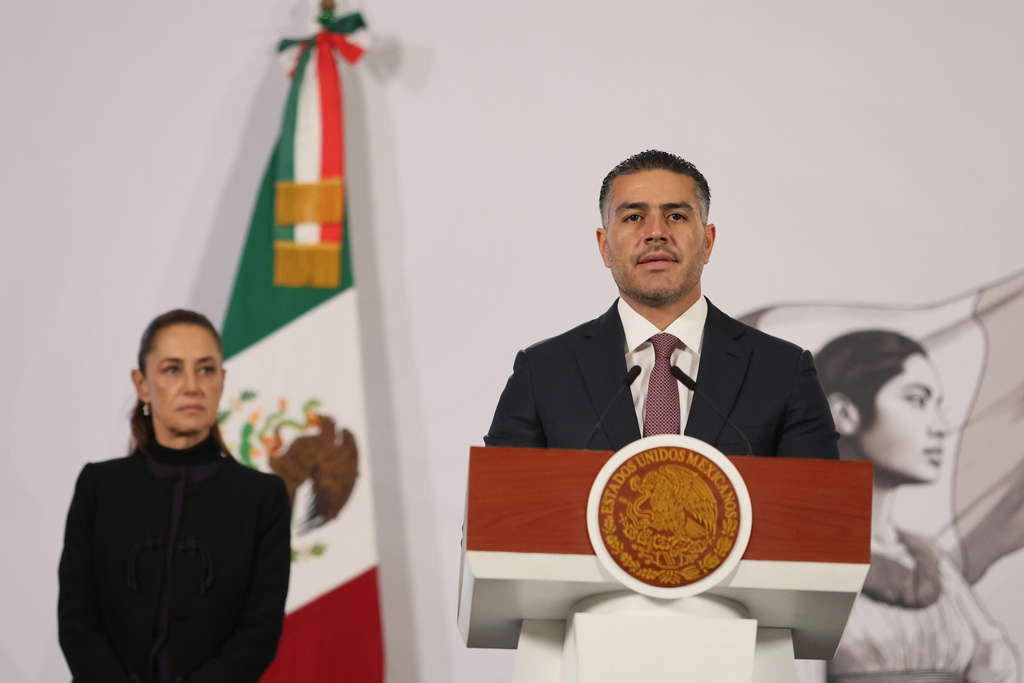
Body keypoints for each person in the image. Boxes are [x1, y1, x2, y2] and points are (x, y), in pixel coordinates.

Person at [484, 150, 839, 458]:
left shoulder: (782, 372)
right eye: (634, 217)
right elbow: (493, 522)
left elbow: (823, 521)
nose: (656, 232)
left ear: (708, 242)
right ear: (604, 246)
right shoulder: (544, 374)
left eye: (677, 216)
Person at [58, 309, 292, 683]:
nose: (192, 386)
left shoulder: (262, 498)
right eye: (172, 369)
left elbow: (259, 633)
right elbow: (76, 619)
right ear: (143, 384)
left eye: (205, 369)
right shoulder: (98, 487)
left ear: (222, 380)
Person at [816, 329, 1017, 682]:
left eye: (938, 406)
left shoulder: (930, 559)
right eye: (917, 400)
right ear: (844, 413)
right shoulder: (796, 552)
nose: (940, 427)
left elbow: (993, 661)